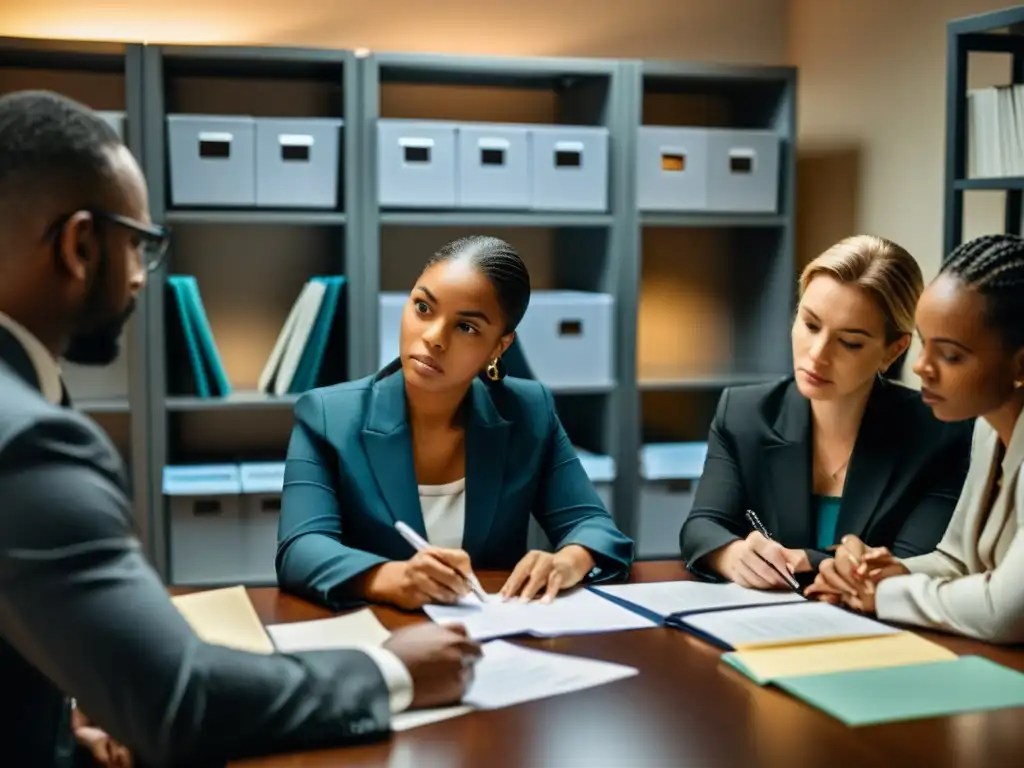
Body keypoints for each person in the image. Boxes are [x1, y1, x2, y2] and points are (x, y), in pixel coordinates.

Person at [0, 89, 481, 768]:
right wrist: (388, 672)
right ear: (81, 244)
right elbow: (180, 701)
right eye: (139, 244)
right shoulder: (26, 442)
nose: (141, 276)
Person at [276, 235, 634, 610]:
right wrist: (390, 578)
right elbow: (301, 548)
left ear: (498, 347)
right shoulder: (327, 415)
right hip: (379, 639)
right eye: (423, 307)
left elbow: (595, 526)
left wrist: (566, 561)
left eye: (466, 327)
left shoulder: (530, 411)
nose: (433, 338)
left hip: (495, 637)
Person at [678, 235, 973, 589]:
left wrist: (806, 560)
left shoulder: (939, 433)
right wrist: (730, 554)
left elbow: (908, 563)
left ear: (892, 351)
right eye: (811, 325)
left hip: (878, 630)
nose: (817, 355)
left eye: (849, 342)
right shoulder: (744, 413)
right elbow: (702, 527)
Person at [807, 233, 1024, 644]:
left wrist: (882, 594)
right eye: (925, 346)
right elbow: (958, 561)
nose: (922, 367)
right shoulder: (985, 428)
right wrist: (871, 574)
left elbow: (1005, 612)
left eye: (951, 355)